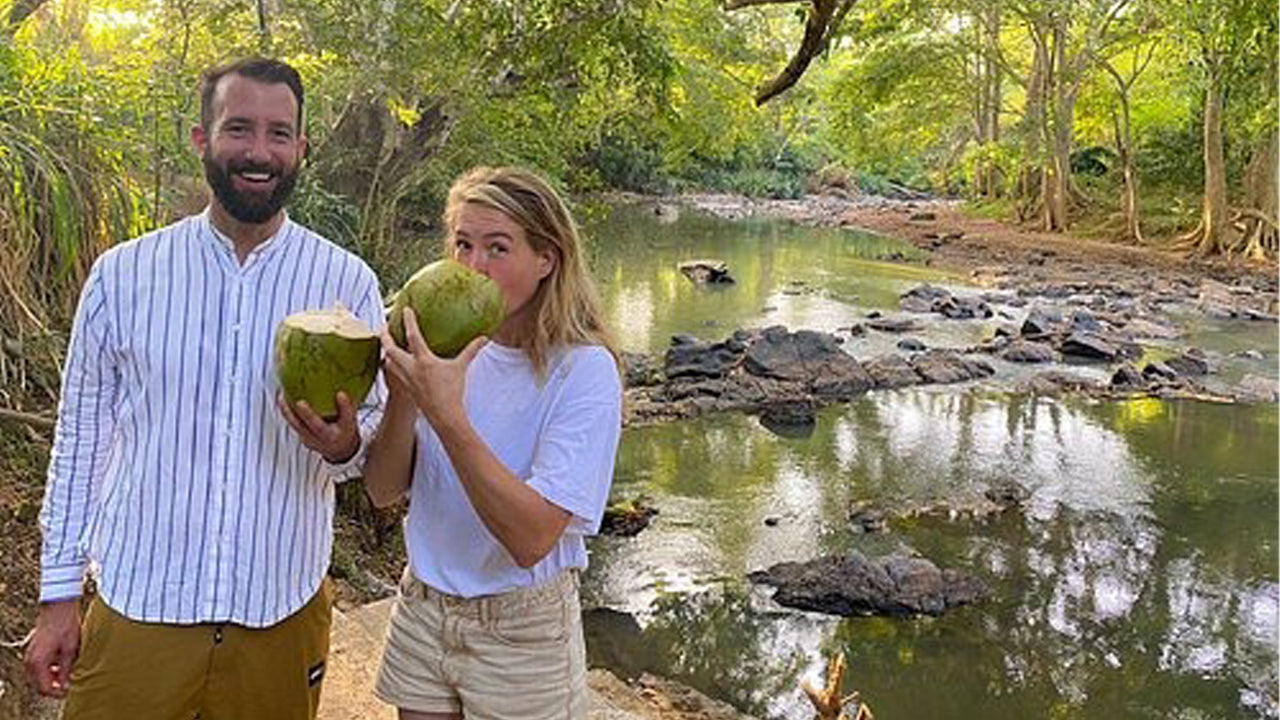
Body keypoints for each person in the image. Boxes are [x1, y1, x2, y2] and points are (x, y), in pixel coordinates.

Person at [23, 57, 385, 720]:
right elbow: (81, 441)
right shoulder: (123, 277)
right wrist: (58, 595)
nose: (259, 152)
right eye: (238, 128)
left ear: (302, 148)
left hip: (279, 606)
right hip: (142, 602)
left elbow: (371, 450)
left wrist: (344, 445)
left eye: (280, 134)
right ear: (202, 139)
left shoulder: (349, 285)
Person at [365, 166, 622, 720]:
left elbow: (530, 539)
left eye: (498, 248)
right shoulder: (443, 351)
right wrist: (405, 391)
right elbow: (383, 490)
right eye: (462, 244)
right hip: (425, 606)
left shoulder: (583, 371)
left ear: (546, 259)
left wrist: (447, 415)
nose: (473, 266)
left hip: (520, 629)